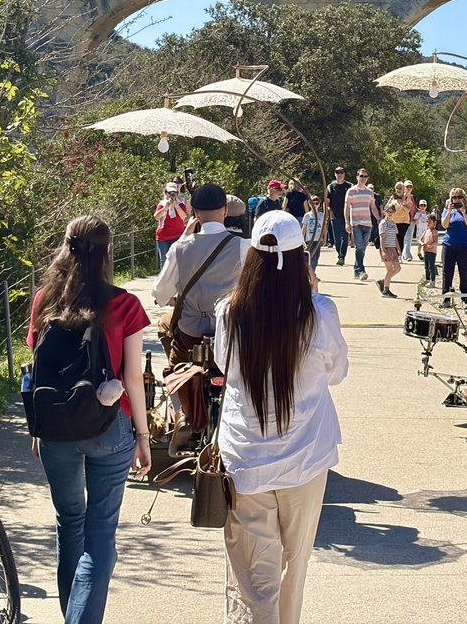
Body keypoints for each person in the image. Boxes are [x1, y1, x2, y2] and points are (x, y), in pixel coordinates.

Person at [213, 210, 347, 624]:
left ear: (252, 256)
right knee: (294, 567)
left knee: (255, 578)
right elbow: (338, 373)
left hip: (246, 459)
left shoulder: (229, 312)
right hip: (306, 459)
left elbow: (224, 365)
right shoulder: (319, 312)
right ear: (301, 260)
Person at [26, 215, 152, 624]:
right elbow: (133, 377)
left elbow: (37, 367)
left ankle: (74, 615)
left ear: (65, 248)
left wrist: (37, 429)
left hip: (55, 429)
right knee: (99, 537)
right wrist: (144, 436)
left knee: (69, 526)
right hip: (108, 426)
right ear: (108, 252)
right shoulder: (124, 304)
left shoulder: (43, 299)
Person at [152, 184, 250, 436]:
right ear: (225, 211)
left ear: (195, 212)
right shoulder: (242, 247)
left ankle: (182, 413)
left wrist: (177, 299)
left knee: (170, 354)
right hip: (229, 333)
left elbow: (159, 294)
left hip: (191, 334)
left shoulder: (181, 247)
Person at [439, 187, 467, 308]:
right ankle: (446, 298)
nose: (456, 199)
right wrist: (449, 212)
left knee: (464, 272)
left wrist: (464, 212)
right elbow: (444, 225)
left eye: (459, 197)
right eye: (454, 197)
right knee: (447, 272)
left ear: (464, 199)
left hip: (464, 246)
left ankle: (464, 298)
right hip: (449, 245)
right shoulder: (447, 211)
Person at [343, 168, 379, 281]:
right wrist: (347, 222)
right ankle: (361, 270)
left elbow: (373, 207)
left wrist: (379, 218)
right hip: (356, 223)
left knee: (362, 248)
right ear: (357, 177)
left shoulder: (369, 192)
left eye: (365, 176)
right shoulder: (351, 191)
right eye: (361, 176)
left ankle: (356, 269)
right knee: (359, 247)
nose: (363, 178)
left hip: (368, 223)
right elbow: (347, 207)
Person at [154, 182, 189, 271]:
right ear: (166, 193)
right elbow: (157, 217)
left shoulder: (181, 204)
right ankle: (164, 283)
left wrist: (176, 206)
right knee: (165, 261)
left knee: (178, 261)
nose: (172, 195)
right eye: (170, 193)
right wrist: (165, 208)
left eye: (174, 193)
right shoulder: (161, 204)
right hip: (163, 237)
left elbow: (184, 217)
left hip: (178, 236)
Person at [326, 167, 351, 266]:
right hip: (334, 215)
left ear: (344, 174)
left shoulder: (349, 186)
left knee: (345, 237)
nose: (339, 174)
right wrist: (327, 212)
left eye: (341, 172)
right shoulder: (331, 186)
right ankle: (339, 253)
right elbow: (327, 200)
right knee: (337, 238)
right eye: (337, 173)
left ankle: (342, 257)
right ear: (335, 174)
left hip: (345, 215)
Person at [377, 202, 402, 298]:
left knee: (397, 268)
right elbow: (382, 237)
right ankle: (386, 289)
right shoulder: (383, 223)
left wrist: (398, 249)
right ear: (385, 212)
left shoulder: (393, 223)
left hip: (393, 248)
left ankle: (384, 281)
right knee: (389, 269)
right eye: (388, 211)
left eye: (392, 211)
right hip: (386, 248)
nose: (390, 213)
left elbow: (395, 238)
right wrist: (383, 251)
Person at [389, 182, 413, 263]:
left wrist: (403, 203)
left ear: (403, 190)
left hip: (404, 221)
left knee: (400, 238)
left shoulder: (407, 198)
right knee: (393, 239)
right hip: (394, 220)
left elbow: (408, 210)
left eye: (400, 188)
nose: (398, 190)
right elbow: (387, 207)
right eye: (397, 188)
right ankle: (393, 255)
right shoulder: (393, 198)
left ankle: (399, 256)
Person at [301, 193, 326, 271]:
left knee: (317, 257)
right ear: (309, 204)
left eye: (316, 203)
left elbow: (324, 228)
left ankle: (311, 272)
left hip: (318, 240)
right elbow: (304, 228)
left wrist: (324, 239)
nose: (315, 205)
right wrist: (302, 240)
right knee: (312, 258)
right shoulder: (307, 215)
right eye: (313, 203)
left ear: (319, 204)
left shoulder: (322, 215)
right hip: (310, 240)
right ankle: (311, 274)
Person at [400, 181, 418, 261]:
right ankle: (406, 255)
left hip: (412, 219)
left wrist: (419, 212)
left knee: (409, 238)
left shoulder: (413, 197)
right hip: (403, 219)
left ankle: (405, 254)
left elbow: (415, 208)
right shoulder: (402, 197)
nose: (409, 188)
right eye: (407, 186)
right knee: (405, 237)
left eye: (411, 186)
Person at [420, 213, 439, 288]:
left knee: (431, 266)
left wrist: (429, 246)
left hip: (432, 252)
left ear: (434, 223)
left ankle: (432, 281)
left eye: (429, 222)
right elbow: (420, 239)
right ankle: (427, 279)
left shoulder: (435, 232)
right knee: (426, 266)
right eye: (427, 221)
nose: (428, 223)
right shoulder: (426, 231)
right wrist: (422, 243)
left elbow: (436, 242)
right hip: (425, 251)